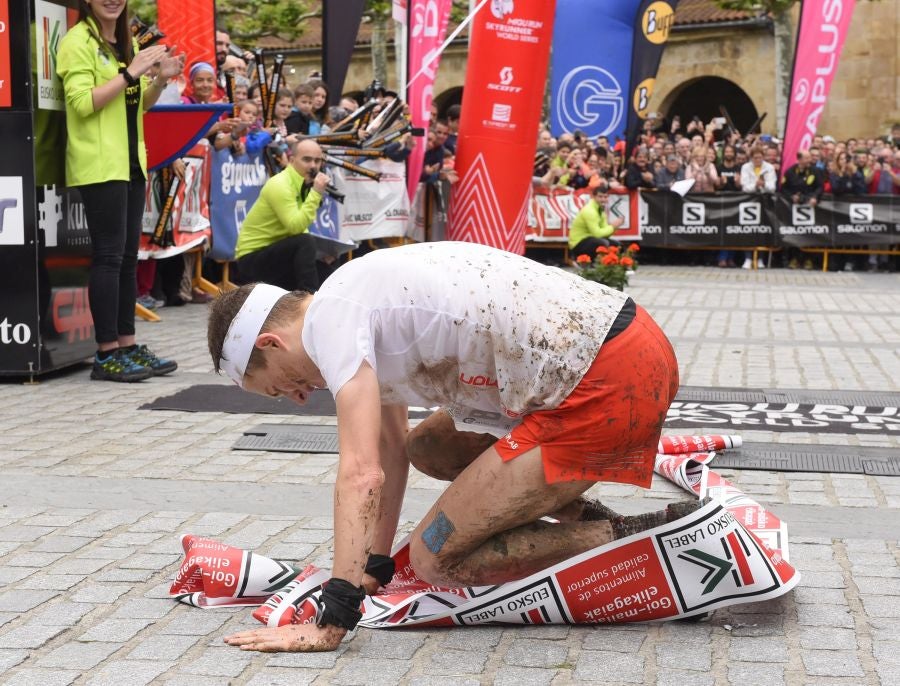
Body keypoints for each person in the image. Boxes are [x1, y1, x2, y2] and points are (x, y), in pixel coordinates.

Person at [210, 241, 693, 653]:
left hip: (608, 380)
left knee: (435, 559)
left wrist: (334, 617)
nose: (298, 397)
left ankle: (648, 538)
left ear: (271, 343)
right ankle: (593, 520)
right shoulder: (349, 298)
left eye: (279, 387)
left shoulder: (329, 324)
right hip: (626, 345)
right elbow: (391, 449)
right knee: (429, 446)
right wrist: (374, 566)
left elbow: (360, 474)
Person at [56, 0, 183, 382]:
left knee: (129, 258)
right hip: (98, 164)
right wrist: (130, 73)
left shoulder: (127, 42)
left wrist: (159, 80)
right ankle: (106, 352)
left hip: (130, 163)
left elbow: (138, 105)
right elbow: (82, 103)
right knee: (109, 258)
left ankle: (127, 345)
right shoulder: (77, 41)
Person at [235, 139, 330, 292]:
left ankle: (316, 301)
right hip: (252, 259)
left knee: (328, 271)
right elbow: (295, 227)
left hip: (276, 252)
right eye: (307, 160)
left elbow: (301, 228)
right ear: (292, 160)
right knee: (306, 242)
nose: (313, 166)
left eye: (317, 161)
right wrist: (316, 193)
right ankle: (308, 300)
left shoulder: (304, 182)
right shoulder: (280, 184)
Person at [568, 186, 624, 260]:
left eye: (605, 197)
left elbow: (605, 234)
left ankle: (612, 264)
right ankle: (583, 261)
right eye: (600, 197)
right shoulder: (590, 210)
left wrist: (614, 227)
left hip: (590, 239)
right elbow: (597, 234)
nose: (603, 199)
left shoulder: (600, 210)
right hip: (577, 244)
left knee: (618, 245)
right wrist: (612, 227)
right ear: (593, 197)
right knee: (603, 243)